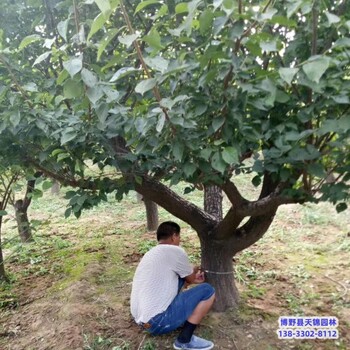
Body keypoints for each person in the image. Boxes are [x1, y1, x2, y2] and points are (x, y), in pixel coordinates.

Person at [130, 221, 215, 350]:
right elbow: (190, 277)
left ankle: (174, 317)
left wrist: (191, 278)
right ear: (174, 236)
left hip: (141, 321)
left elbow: (185, 279)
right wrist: (194, 269)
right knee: (208, 290)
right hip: (156, 323)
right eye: (179, 237)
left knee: (181, 278)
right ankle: (184, 340)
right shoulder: (176, 251)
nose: (179, 240)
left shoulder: (150, 253)